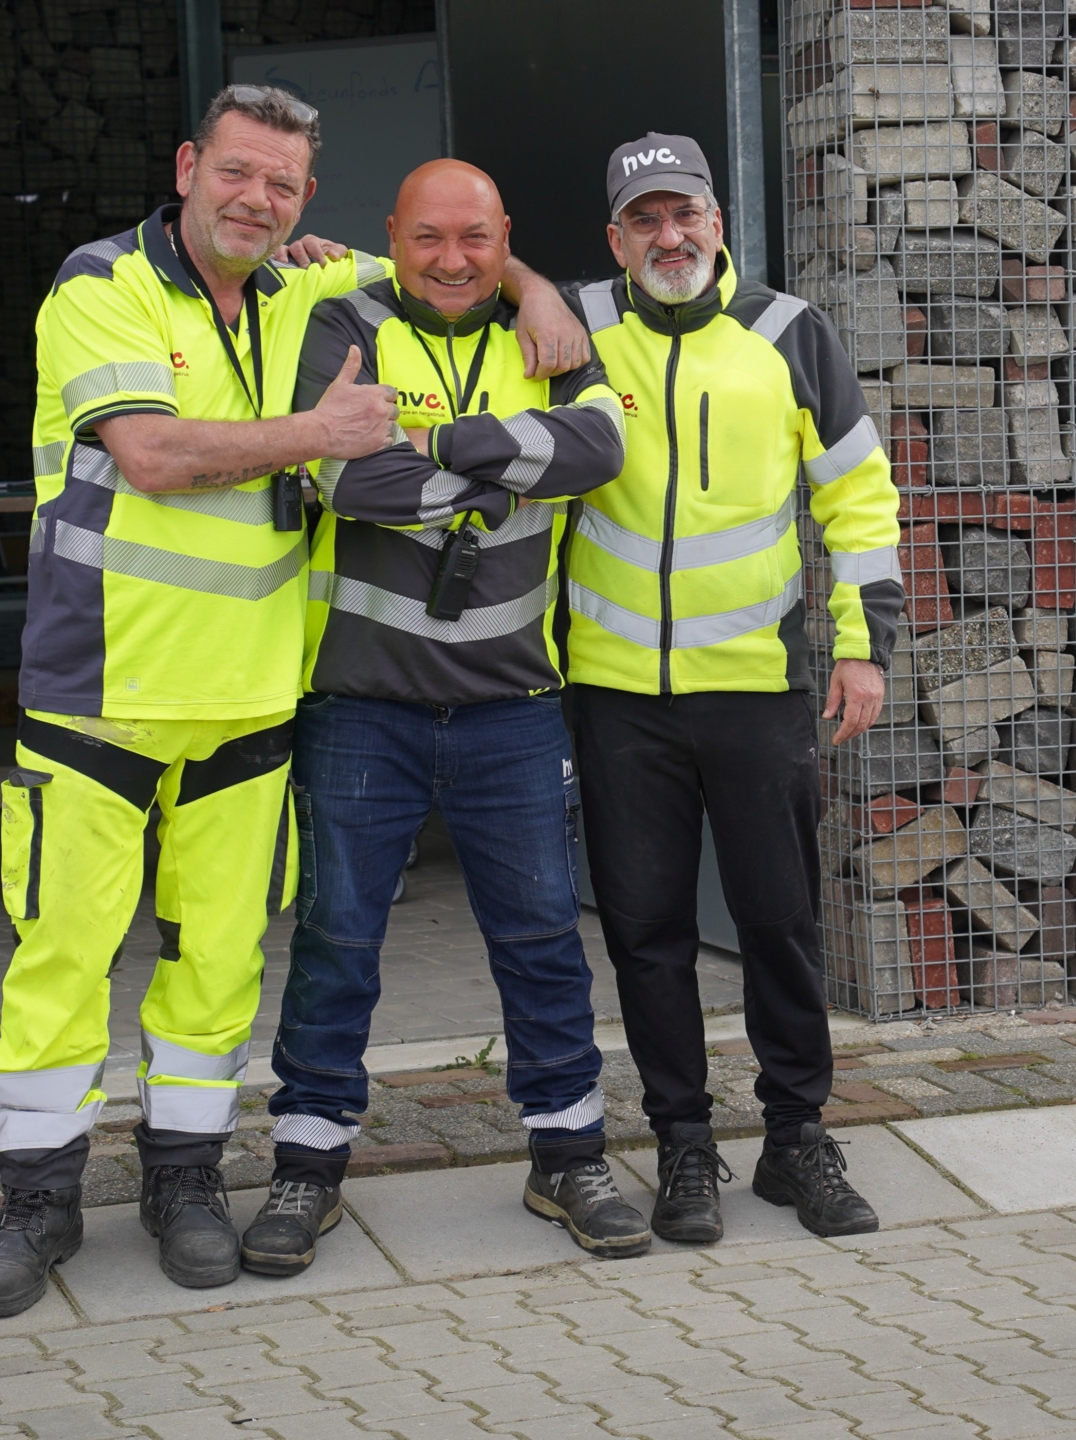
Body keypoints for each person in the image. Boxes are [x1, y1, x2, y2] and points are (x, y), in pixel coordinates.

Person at [0, 86, 586, 1319]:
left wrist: (538, 289)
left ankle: (184, 1184)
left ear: (307, 200)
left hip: (253, 702)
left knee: (218, 968)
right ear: (191, 166)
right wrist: (319, 429)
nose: (256, 201)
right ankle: (34, 1202)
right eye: (238, 174)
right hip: (103, 698)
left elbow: (451, 258)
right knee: (63, 960)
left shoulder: (308, 284)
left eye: (283, 186)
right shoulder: (103, 284)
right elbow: (153, 456)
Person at [242, 158, 647, 1273]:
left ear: (503, 236)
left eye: (476, 239)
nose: (453, 260)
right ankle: (306, 1167)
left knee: (539, 945)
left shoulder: (552, 332)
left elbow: (601, 451)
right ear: (392, 234)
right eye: (428, 238)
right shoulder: (344, 317)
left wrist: (431, 446)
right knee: (335, 946)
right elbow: (342, 481)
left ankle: (566, 1155)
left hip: (511, 707)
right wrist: (516, 467)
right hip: (361, 709)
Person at [562, 135, 904, 1244]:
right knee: (647, 934)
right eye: (645, 220)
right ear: (615, 238)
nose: (670, 236)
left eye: (686, 214)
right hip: (615, 697)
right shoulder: (568, 333)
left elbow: (857, 498)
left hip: (757, 689)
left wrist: (863, 647)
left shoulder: (787, 332)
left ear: (719, 222)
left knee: (780, 925)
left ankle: (796, 1139)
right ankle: (685, 1147)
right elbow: (444, 286)